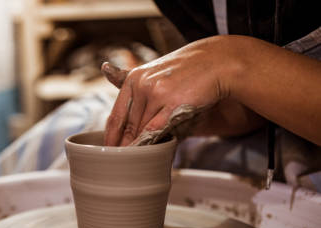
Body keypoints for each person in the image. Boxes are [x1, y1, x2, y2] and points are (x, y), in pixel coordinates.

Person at [102, 0, 321, 189]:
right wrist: (206, 116)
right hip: (284, 131)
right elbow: (262, 101)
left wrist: (233, 61)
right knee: (86, 117)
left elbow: (237, 70)